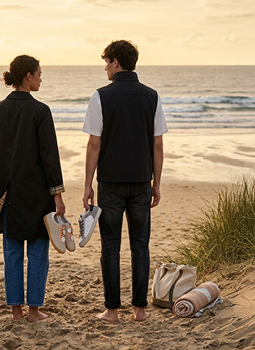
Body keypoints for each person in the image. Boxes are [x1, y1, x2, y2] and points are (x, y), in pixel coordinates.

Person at [0, 54, 66, 322]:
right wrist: (57, 194)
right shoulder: (40, 111)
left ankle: (16, 311)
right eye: (38, 74)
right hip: (36, 194)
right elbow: (50, 157)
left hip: (6, 192)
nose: (40, 79)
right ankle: (34, 311)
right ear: (28, 76)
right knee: (37, 251)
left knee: (12, 251)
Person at [82, 40, 167, 322]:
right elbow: (157, 146)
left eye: (107, 62)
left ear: (116, 62)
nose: (105, 67)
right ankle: (140, 310)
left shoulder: (101, 96)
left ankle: (112, 311)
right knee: (140, 247)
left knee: (111, 246)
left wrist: (87, 185)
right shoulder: (151, 96)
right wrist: (156, 183)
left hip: (111, 182)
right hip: (142, 181)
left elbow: (94, 145)